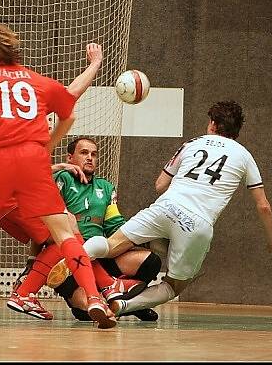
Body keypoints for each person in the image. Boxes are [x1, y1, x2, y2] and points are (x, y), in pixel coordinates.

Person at [0, 23, 117, 329]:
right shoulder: (35, 79)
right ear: (14, 47)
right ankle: (94, 297)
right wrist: (48, 146)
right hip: (33, 162)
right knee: (66, 233)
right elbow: (70, 108)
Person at [48, 100, 272, 317]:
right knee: (173, 285)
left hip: (166, 207)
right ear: (236, 130)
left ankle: (73, 260)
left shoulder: (192, 143)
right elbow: (263, 206)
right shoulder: (244, 156)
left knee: (110, 246)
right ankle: (123, 306)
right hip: (197, 224)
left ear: (213, 124)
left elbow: (160, 184)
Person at [10, 137, 162, 322]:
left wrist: (141, 236)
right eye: (84, 153)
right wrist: (31, 260)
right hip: (67, 262)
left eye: (94, 154)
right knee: (87, 306)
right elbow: (46, 223)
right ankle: (114, 295)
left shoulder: (106, 188)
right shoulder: (62, 179)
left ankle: (124, 301)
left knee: (149, 260)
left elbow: (115, 224)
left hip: (100, 254)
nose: (90, 157)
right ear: (70, 158)